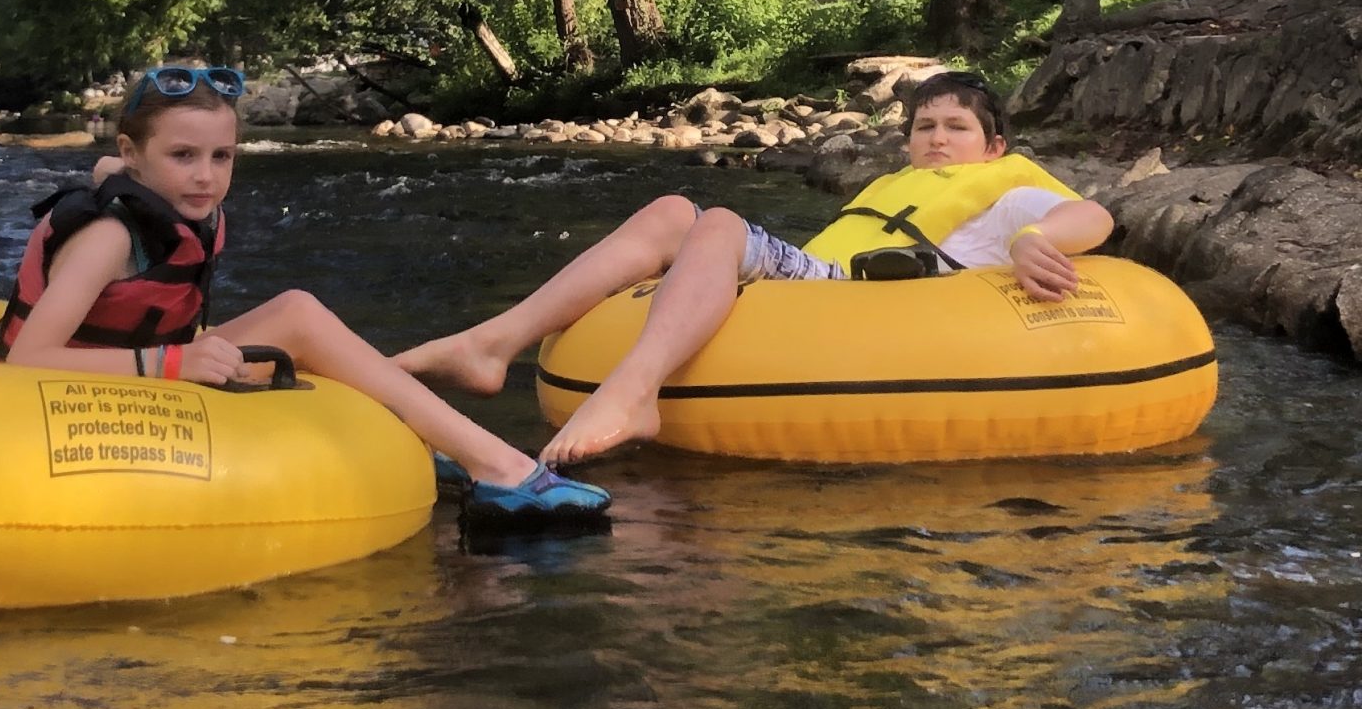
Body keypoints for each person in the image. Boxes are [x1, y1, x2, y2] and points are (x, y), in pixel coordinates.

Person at [0, 63, 610, 527]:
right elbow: (26, 361)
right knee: (296, 314)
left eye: (222, 155)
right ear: (133, 154)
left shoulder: (178, 204)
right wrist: (166, 363)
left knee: (298, 313)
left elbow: (112, 174)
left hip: (143, 371)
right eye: (182, 156)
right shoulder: (106, 237)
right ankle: (501, 467)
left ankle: (439, 442)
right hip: (63, 401)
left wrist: (172, 359)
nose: (206, 176)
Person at [398, 70, 1114, 467]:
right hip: (820, 286)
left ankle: (634, 391)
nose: (936, 140)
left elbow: (1095, 217)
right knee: (673, 209)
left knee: (717, 225)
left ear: (993, 146)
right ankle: (492, 345)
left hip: (880, 298)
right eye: (924, 127)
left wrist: (1032, 239)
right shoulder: (891, 186)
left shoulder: (1010, 186)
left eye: (956, 128)